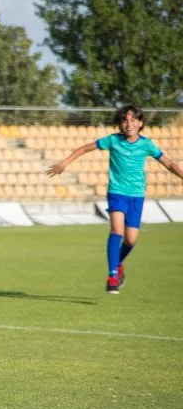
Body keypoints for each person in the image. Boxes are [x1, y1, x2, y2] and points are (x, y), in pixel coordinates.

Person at [49, 104, 183, 294]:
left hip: (136, 196)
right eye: (124, 120)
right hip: (117, 192)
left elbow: (168, 163)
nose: (129, 124)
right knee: (117, 230)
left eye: (133, 120)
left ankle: (118, 264)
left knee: (131, 240)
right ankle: (112, 275)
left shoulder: (147, 145)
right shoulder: (112, 140)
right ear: (120, 123)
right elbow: (85, 148)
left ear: (140, 123)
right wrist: (64, 163)